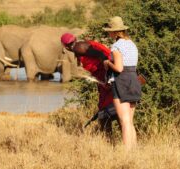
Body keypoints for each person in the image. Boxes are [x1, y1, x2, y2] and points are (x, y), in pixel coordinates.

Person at [60, 33, 118, 139]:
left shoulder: (78, 47)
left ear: (66, 46)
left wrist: (108, 79)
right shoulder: (79, 48)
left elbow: (102, 56)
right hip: (106, 80)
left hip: (109, 79)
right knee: (109, 111)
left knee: (105, 113)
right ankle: (111, 141)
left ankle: (110, 142)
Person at [103, 16, 141, 149]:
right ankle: (134, 150)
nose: (108, 33)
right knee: (130, 121)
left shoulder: (116, 46)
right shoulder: (132, 44)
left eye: (109, 31)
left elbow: (119, 68)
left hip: (121, 81)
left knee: (124, 121)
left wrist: (108, 63)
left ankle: (126, 154)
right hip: (133, 80)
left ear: (115, 32)